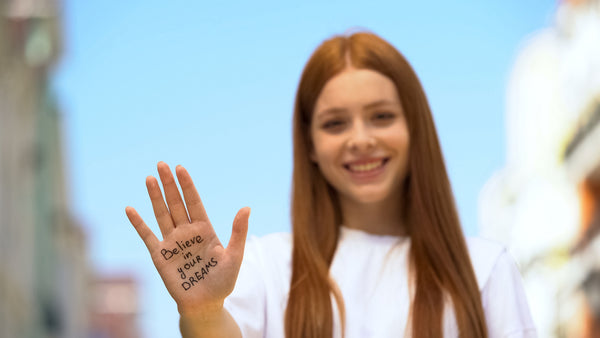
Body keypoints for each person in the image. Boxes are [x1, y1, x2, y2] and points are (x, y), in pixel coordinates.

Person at [125, 31, 537, 338]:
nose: (360, 139)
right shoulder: (268, 267)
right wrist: (203, 310)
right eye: (335, 123)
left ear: (415, 128)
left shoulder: (484, 268)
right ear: (310, 144)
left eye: (381, 116)